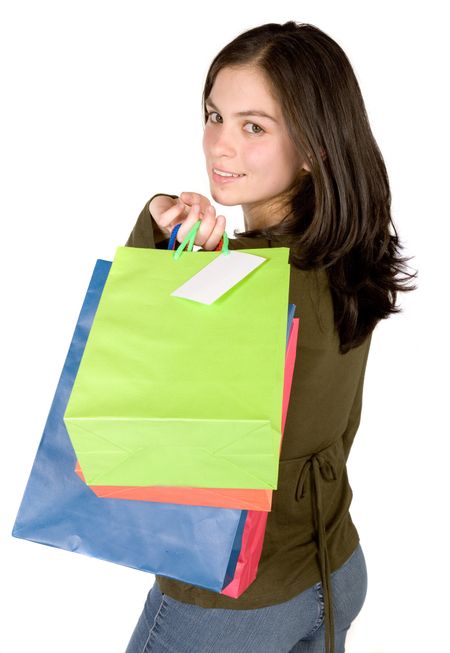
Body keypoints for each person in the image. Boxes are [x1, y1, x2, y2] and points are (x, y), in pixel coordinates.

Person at [124, 21, 417, 653]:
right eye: (214, 116)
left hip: (235, 599)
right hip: (335, 568)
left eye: (254, 126)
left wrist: (161, 233)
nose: (220, 146)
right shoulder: (348, 254)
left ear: (313, 146)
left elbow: (129, 370)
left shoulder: (242, 279)